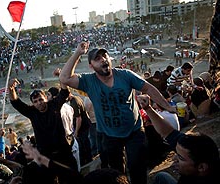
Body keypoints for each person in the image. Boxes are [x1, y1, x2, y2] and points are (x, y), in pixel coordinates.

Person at [59, 42, 176, 184]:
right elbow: (64, 78)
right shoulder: (88, 81)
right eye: (97, 59)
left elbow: (149, 89)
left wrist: (167, 106)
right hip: (109, 135)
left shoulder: (125, 75)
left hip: (134, 131)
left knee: (137, 168)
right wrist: (78, 53)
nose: (103, 59)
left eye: (104, 56)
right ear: (91, 65)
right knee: (116, 172)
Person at [137, 94, 220, 184]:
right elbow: (168, 132)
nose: (174, 159)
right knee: (161, 176)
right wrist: (148, 108)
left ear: (202, 167)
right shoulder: (189, 149)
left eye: (180, 158)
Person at [9, 78, 78, 183]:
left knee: (71, 177)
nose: (39, 103)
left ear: (46, 98)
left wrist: (62, 77)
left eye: (41, 99)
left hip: (63, 152)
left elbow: (64, 92)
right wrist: (11, 89)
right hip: (46, 155)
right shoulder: (32, 112)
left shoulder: (54, 105)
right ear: (32, 103)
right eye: (35, 101)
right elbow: (16, 103)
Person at [47, 86, 81, 171]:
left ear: (54, 97)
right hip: (72, 140)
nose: (47, 98)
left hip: (65, 143)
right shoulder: (68, 107)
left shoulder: (55, 111)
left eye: (48, 95)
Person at [68, 92, 92, 166]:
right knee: (86, 143)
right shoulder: (76, 98)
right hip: (85, 124)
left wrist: (76, 132)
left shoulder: (74, 102)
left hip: (82, 126)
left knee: (84, 144)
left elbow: (78, 119)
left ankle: (88, 162)